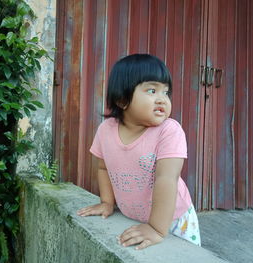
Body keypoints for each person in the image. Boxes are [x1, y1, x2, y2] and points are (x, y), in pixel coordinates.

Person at [77, 54, 201, 249]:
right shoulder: (106, 130)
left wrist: (157, 228)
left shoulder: (169, 131)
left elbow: (167, 179)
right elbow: (103, 168)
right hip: (133, 217)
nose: (162, 99)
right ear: (122, 100)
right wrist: (107, 202)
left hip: (174, 220)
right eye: (152, 90)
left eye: (166, 92)